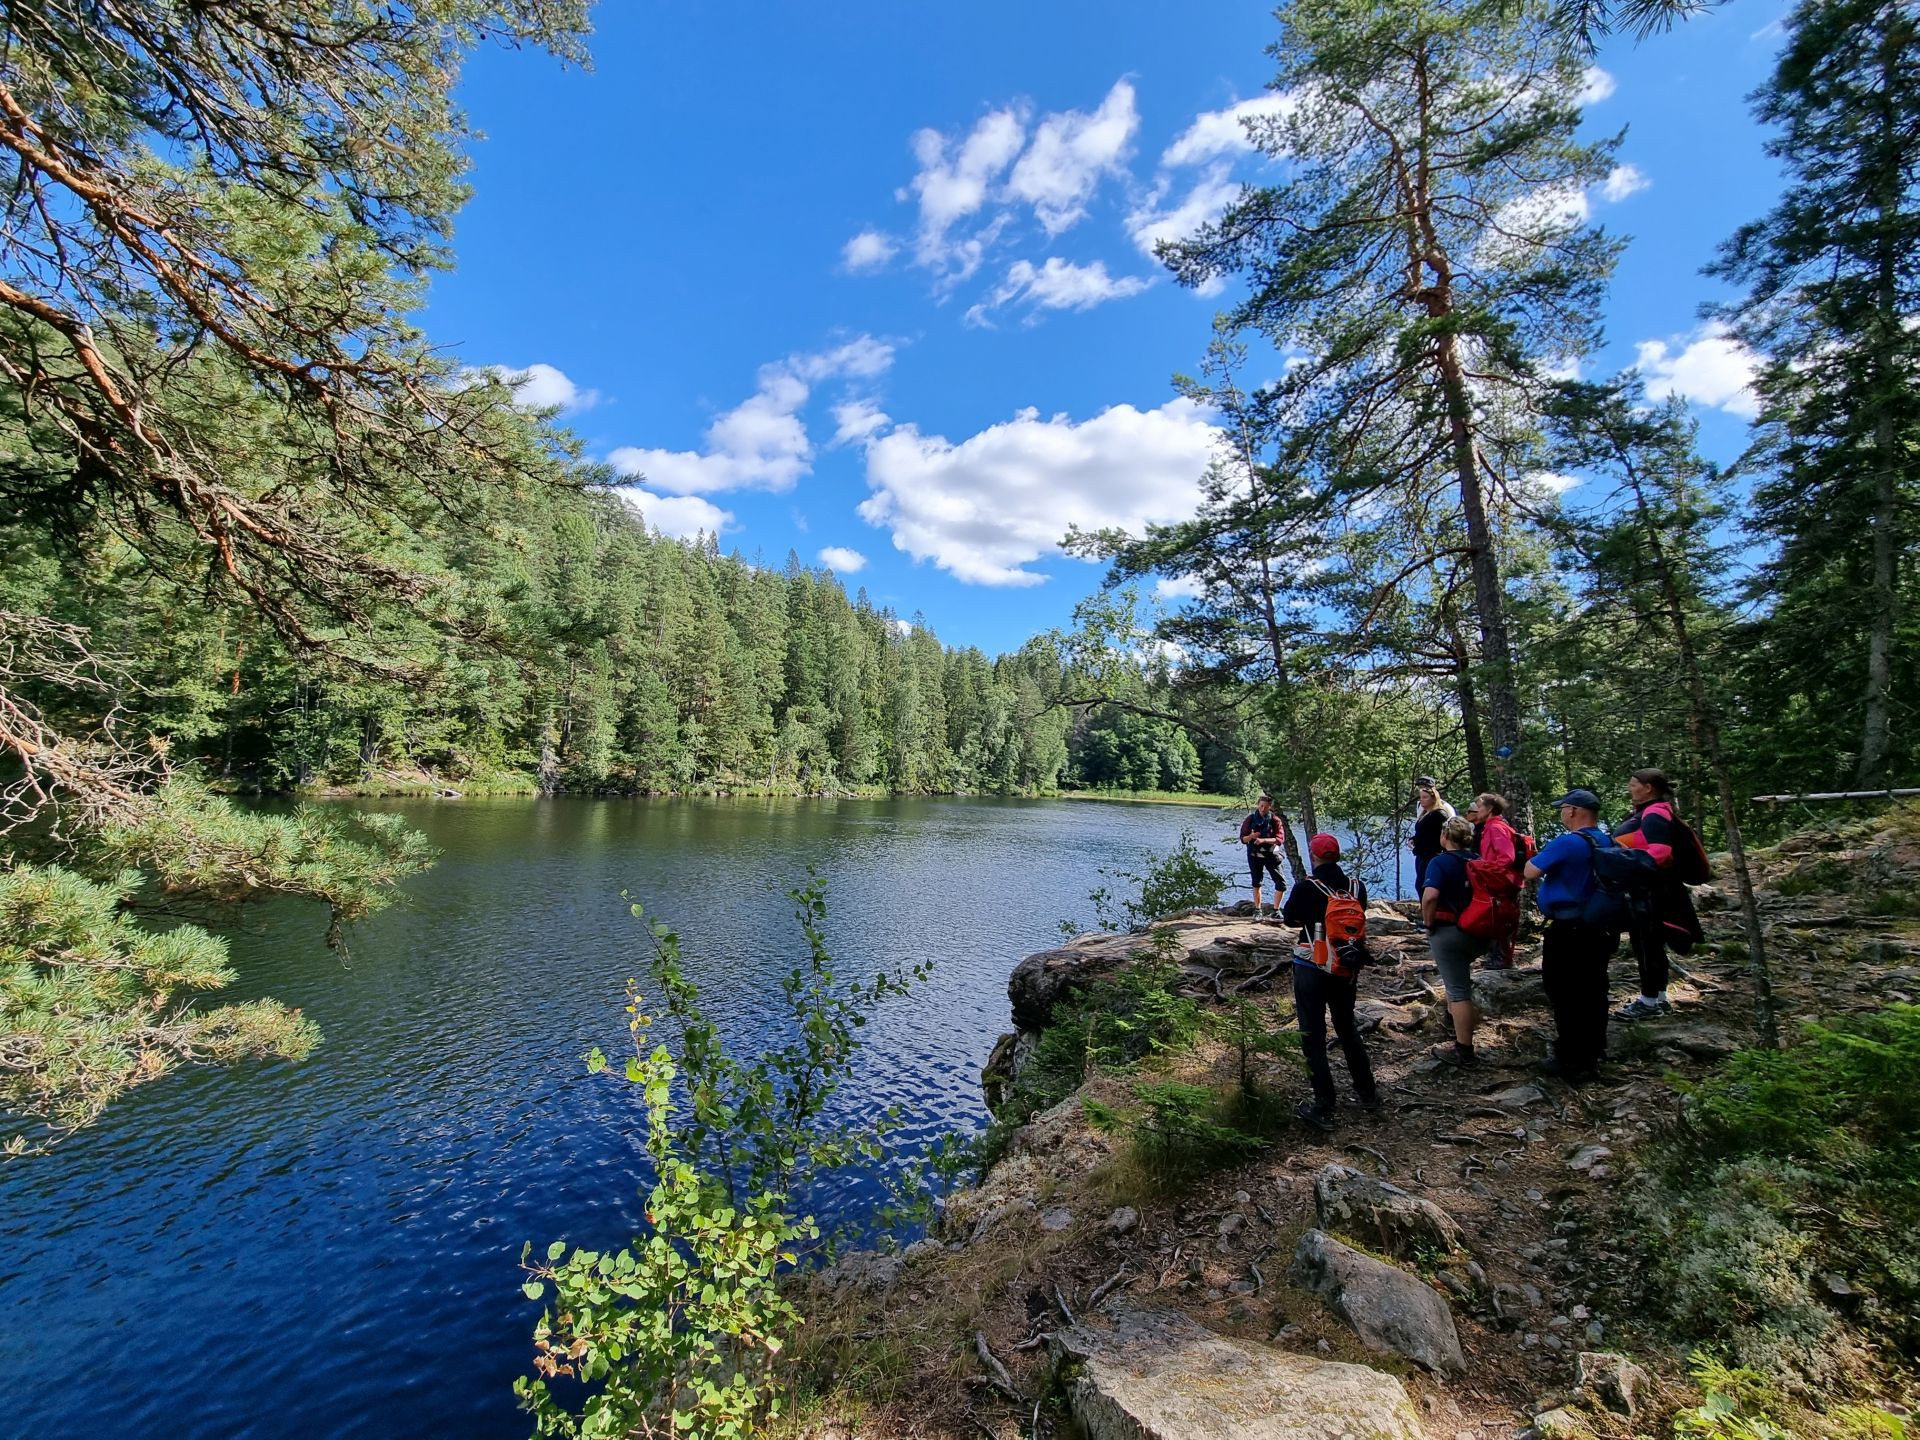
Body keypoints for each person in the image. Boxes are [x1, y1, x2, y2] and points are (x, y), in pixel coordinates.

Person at [1282, 833, 1381, 1128]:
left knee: (1312, 1034)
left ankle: (1323, 1104)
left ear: (1314, 856)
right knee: (1347, 1028)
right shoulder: (1356, 887)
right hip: (1346, 967)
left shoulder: (1307, 887)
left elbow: (1289, 918)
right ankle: (1368, 1093)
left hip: (1312, 965)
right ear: (1337, 856)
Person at [1523, 788, 1622, 1082]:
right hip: (1601, 926)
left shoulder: (1568, 842)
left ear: (1574, 811)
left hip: (1570, 929)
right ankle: (1593, 1050)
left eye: (1563, 809)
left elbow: (1530, 870)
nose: (1562, 814)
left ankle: (1571, 1058)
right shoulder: (1608, 840)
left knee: (1564, 990)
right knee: (1594, 988)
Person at [1613, 768, 1679, 1020]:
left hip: (1649, 891)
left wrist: (1625, 863)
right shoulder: (1653, 811)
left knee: (1646, 945)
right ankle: (1659, 998)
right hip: (1649, 889)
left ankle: (1649, 1001)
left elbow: (1661, 852)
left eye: (1633, 784)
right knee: (1651, 945)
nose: (1629, 788)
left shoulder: (1654, 813)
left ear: (1648, 787)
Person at [1422, 816, 1487, 1065]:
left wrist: (1428, 924)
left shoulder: (1440, 862)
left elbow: (1430, 897)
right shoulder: (1478, 860)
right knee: (1458, 981)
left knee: (1459, 991)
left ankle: (1464, 1050)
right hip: (1480, 932)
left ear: (1445, 836)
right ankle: (1454, 1022)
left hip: (1450, 932)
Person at [1464, 791, 1521, 969]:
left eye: (1480, 806)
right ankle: (1496, 955)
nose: (1476, 809)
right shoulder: (1492, 826)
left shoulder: (1496, 828)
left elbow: (1506, 858)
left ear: (1489, 809)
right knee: (1495, 918)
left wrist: (1483, 869)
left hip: (1500, 882)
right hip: (1497, 880)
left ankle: (1502, 958)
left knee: (1499, 918)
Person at [1408, 777, 1456, 899]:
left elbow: (1449, 831)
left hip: (1433, 854)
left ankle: (1431, 910)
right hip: (1421, 853)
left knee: (1428, 885)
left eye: (1425, 796)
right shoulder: (1423, 810)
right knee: (1419, 884)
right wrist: (1414, 839)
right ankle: (1424, 909)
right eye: (1420, 789)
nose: (1422, 799)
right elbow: (1423, 831)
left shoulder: (1442, 811)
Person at [1240, 794, 1285, 913]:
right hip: (1254, 855)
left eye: (1265, 806)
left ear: (1270, 807)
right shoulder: (1250, 819)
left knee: (1281, 883)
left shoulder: (1275, 820)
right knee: (1256, 882)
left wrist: (1263, 840)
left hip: (1271, 855)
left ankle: (1276, 910)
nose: (1263, 808)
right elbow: (1243, 839)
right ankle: (1258, 909)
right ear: (1258, 805)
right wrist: (1251, 836)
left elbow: (1280, 839)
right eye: (1261, 806)